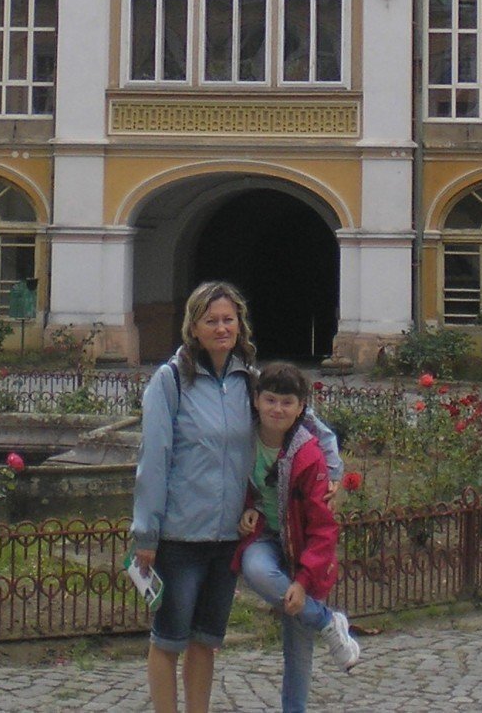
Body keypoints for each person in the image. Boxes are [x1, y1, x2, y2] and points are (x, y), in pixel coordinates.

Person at [131, 282, 342, 713]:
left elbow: (306, 418)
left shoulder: (249, 377)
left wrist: (334, 471)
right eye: (212, 320)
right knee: (169, 638)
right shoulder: (171, 381)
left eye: (229, 319)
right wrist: (146, 533)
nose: (221, 327)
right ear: (194, 325)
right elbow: (155, 458)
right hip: (180, 533)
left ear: (239, 324)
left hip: (230, 534)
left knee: (206, 640)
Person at [236, 361, 361, 712]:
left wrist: (304, 582)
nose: (277, 409)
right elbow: (237, 482)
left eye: (286, 402)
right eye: (271, 400)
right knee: (256, 569)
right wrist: (247, 509)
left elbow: (322, 529)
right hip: (265, 537)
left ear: (301, 407)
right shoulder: (245, 439)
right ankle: (326, 620)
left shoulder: (307, 455)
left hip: (302, 549)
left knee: (297, 650)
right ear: (257, 400)